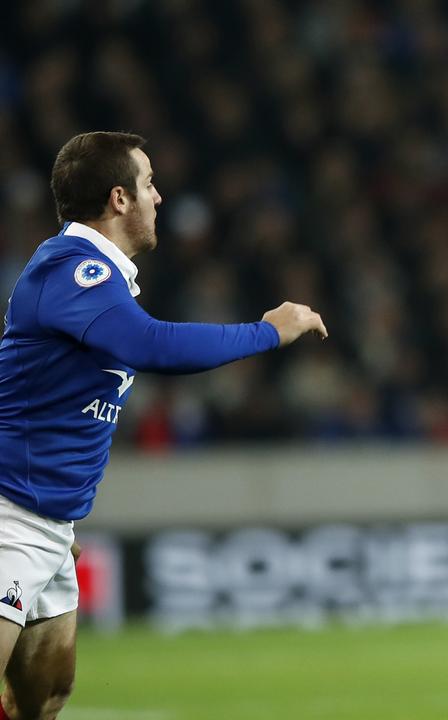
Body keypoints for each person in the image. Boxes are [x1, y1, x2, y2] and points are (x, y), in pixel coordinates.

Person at [0, 131, 328, 719]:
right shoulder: (71, 270)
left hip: (47, 520)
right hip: (9, 517)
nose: (161, 197)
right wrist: (269, 329)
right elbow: (152, 345)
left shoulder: (102, 283)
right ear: (120, 198)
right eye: (150, 183)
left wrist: (57, 510)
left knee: (45, 697)